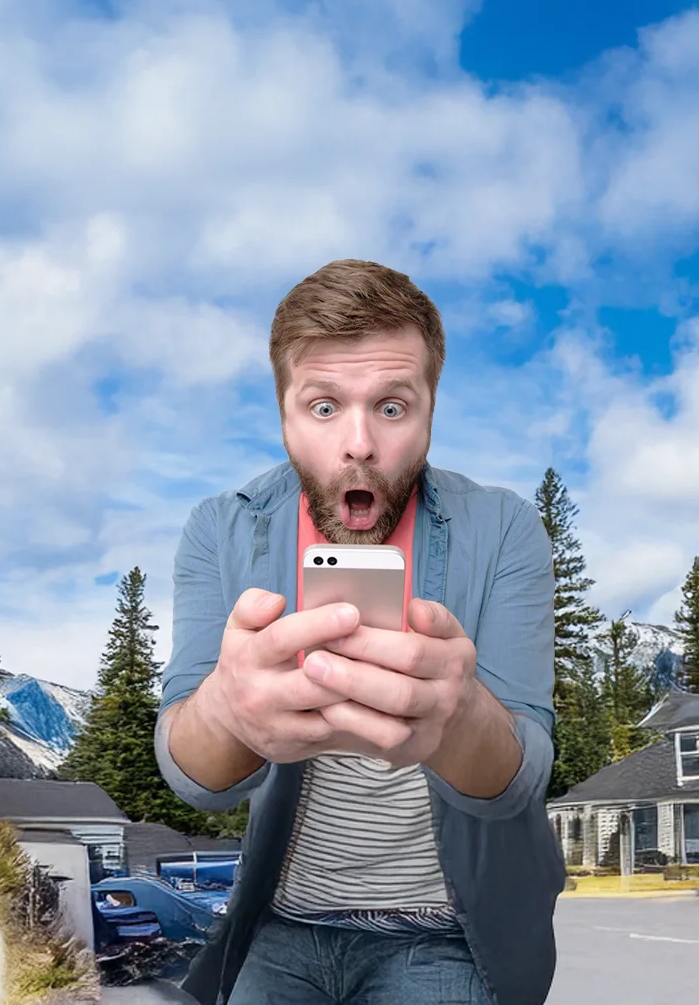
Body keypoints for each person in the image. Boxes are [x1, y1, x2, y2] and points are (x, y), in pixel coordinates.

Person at [156, 260, 562, 1005]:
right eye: (322, 408)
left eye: (392, 407)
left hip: (443, 935)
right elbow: (193, 776)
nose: (359, 444)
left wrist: (458, 717)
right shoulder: (222, 529)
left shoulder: (504, 528)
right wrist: (227, 708)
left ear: (432, 407)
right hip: (280, 927)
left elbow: (523, 776)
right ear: (282, 410)